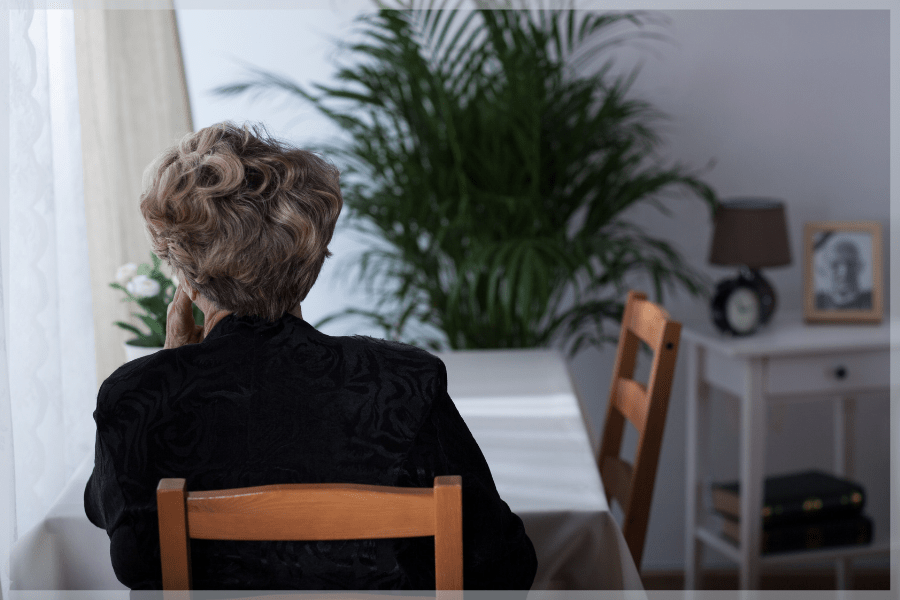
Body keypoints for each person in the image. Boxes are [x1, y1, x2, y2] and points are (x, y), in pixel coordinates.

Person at [84, 122, 537, 591]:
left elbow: (134, 557)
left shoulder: (136, 395)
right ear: (310, 264)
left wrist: (167, 367)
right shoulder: (406, 382)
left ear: (186, 276)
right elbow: (503, 565)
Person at [814, 239, 872, 310]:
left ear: (860, 267)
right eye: (835, 265)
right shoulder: (816, 303)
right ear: (824, 270)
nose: (843, 272)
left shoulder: (872, 301)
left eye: (850, 264)